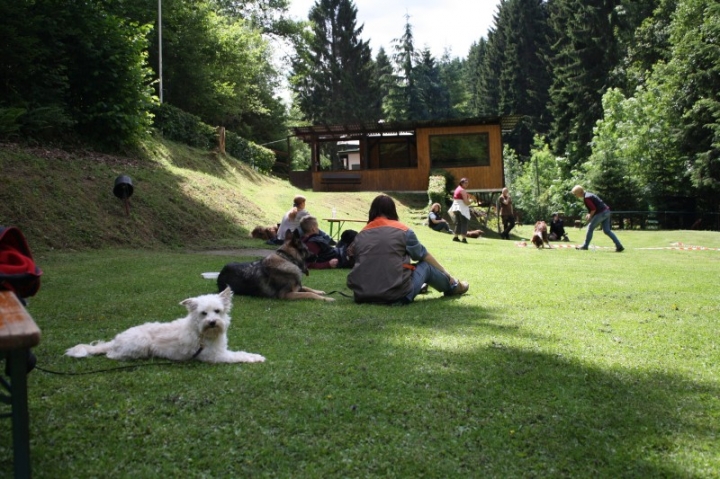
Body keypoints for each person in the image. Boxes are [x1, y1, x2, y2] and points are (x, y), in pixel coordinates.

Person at [347, 194, 469, 305]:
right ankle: (453, 286)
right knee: (426, 266)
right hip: (396, 296)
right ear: (393, 211)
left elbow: (352, 256)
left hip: (362, 295)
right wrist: (447, 273)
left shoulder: (361, 234)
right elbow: (424, 255)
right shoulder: (403, 231)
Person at [571, 185, 624, 252]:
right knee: (607, 231)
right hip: (607, 211)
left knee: (590, 228)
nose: (575, 196)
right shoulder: (589, 195)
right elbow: (593, 207)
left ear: (580, 192)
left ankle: (585, 246)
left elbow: (593, 209)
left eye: (575, 194)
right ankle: (619, 246)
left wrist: (590, 216)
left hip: (601, 213)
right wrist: (589, 214)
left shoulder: (586, 198)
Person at [448, 178, 473, 243]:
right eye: (465, 183)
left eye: (467, 183)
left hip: (455, 208)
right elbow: (466, 202)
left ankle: (455, 237)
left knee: (458, 223)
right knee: (464, 222)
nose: (467, 184)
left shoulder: (457, 189)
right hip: (461, 208)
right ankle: (463, 238)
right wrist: (471, 201)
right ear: (461, 183)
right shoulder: (462, 190)